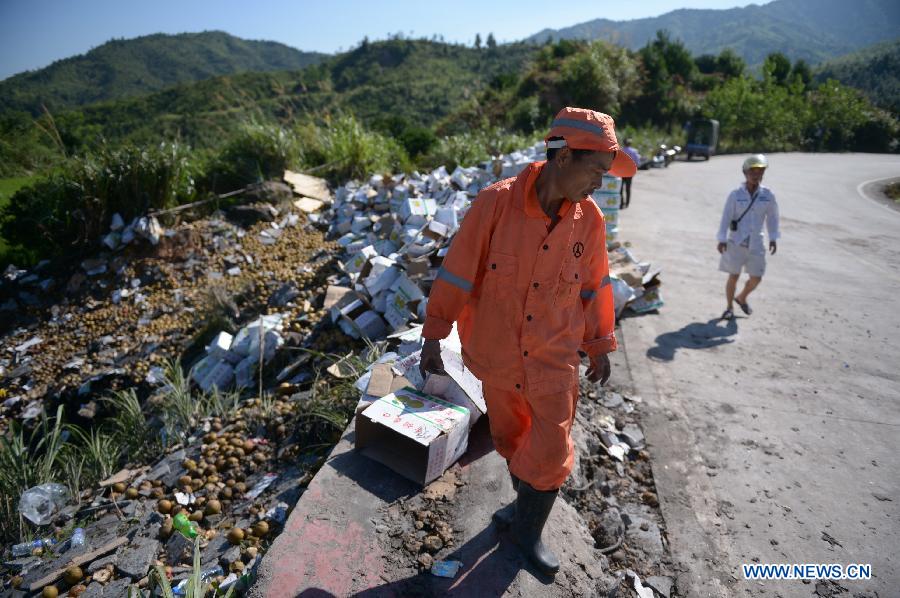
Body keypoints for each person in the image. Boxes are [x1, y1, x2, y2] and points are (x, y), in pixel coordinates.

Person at [419, 107, 636, 576]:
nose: (599, 183)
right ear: (563, 158)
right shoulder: (496, 204)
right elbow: (457, 272)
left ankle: (528, 534)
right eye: (596, 171)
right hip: (497, 358)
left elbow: (596, 285)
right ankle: (520, 512)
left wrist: (599, 343)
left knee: (552, 449)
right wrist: (435, 334)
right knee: (511, 439)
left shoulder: (589, 220)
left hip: (554, 359)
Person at [716, 154, 780, 320]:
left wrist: (773, 237)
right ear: (745, 173)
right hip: (736, 241)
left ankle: (742, 297)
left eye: (759, 171)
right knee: (734, 276)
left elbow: (773, 217)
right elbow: (726, 217)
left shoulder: (768, 195)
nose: (756, 174)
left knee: (756, 278)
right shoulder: (735, 195)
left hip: (756, 243)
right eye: (752, 171)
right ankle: (729, 307)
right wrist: (721, 238)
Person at [619, 138, 641, 208]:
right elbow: (637, 162)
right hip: (630, 172)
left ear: (624, 143)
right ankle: (627, 203)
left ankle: (621, 203)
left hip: (621, 172)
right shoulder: (634, 151)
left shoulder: (621, 151)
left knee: (621, 188)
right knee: (628, 188)